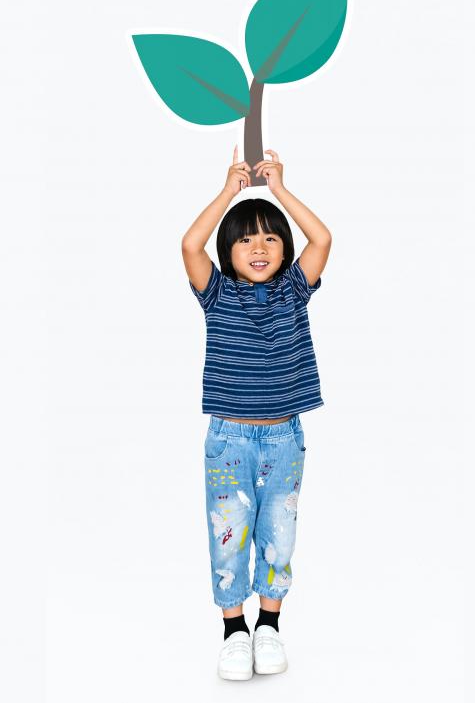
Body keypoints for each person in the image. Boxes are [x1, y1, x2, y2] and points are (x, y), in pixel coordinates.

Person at [181, 146, 332, 680]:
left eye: (271, 237)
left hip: (284, 440)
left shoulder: (294, 291)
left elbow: (323, 240)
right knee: (228, 535)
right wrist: (231, 192)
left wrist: (279, 190)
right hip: (229, 441)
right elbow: (189, 244)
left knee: (278, 535)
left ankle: (268, 626)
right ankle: (233, 632)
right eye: (245, 239)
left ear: (285, 249)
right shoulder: (216, 294)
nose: (260, 246)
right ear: (229, 251)